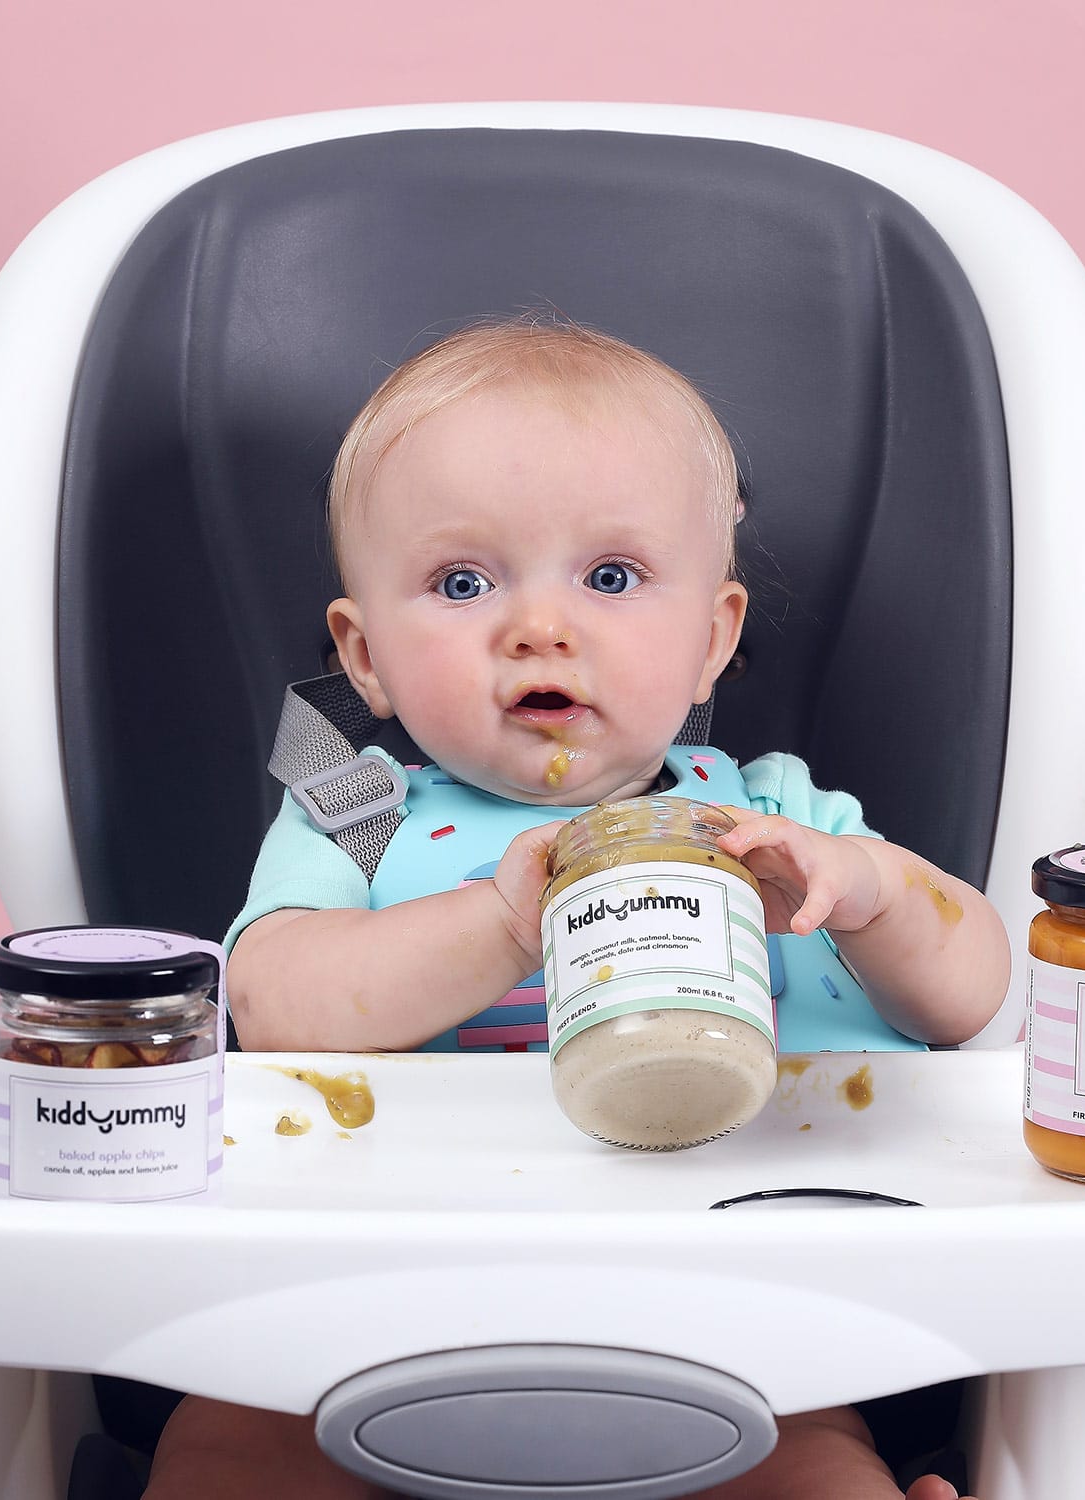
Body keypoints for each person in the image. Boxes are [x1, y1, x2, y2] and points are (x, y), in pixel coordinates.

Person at [146, 319, 1008, 1500]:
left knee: (814, 1468)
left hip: (734, 1326)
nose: (539, 628)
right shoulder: (357, 814)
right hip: (361, 1311)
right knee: (226, 1448)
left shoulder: (774, 816)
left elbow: (972, 995)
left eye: (610, 578)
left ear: (712, 637)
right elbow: (273, 1008)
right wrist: (496, 926)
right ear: (365, 658)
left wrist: (863, 894)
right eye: (461, 583)